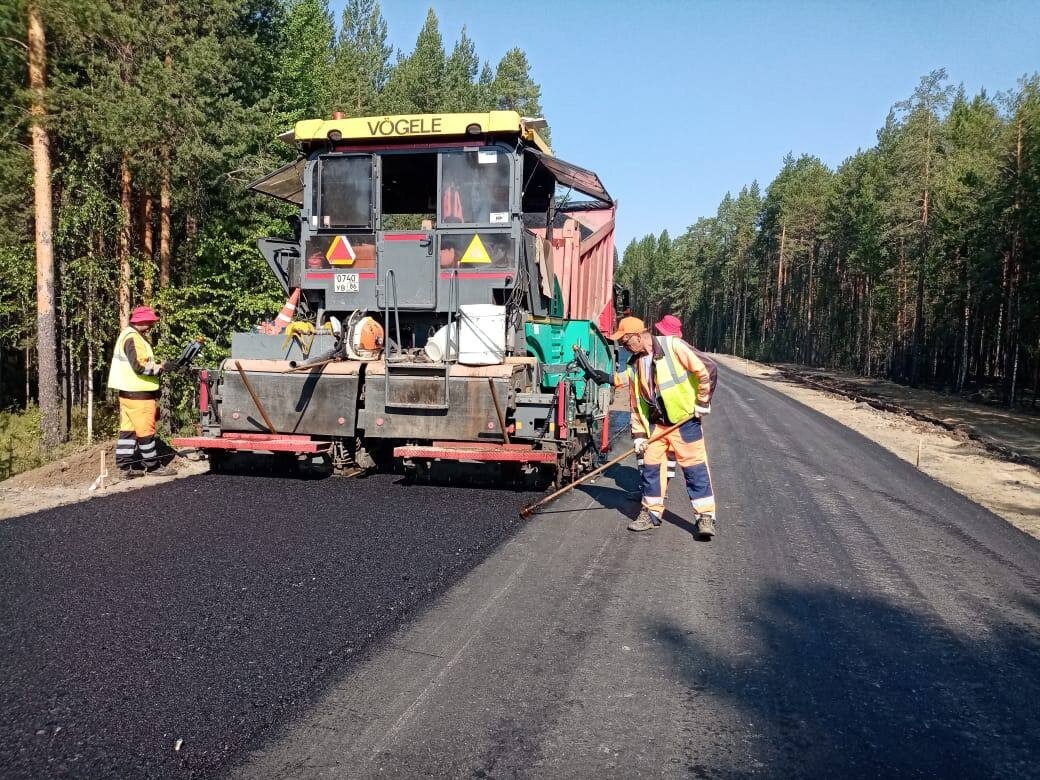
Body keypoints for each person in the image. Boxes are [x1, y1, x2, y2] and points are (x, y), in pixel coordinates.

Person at [609, 316, 717, 538]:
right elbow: (637, 403)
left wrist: (703, 401)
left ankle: (705, 517)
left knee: (695, 470)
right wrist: (639, 434)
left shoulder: (672, 346)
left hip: (685, 422)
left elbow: (707, 369)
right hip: (657, 427)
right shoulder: (635, 364)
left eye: (626, 341)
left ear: (638, 336)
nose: (624, 347)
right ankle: (650, 513)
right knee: (651, 470)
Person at [107, 306, 177, 479]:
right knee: (146, 431)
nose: (152, 325)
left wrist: (161, 364)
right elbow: (139, 366)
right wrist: (162, 368)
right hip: (140, 394)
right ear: (142, 320)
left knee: (128, 432)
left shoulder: (127, 334)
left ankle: (125, 468)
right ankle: (153, 467)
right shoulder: (134, 338)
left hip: (128, 393)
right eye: (151, 322)